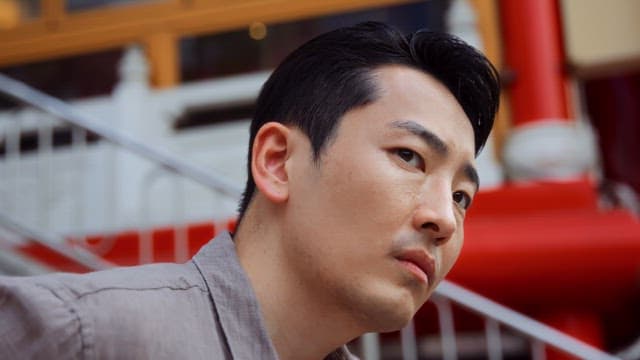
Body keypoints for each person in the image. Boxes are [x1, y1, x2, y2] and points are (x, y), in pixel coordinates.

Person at [0, 21, 499, 359]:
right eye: (409, 156)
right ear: (278, 162)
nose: (445, 219)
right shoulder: (82, 333)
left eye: (461, 196)